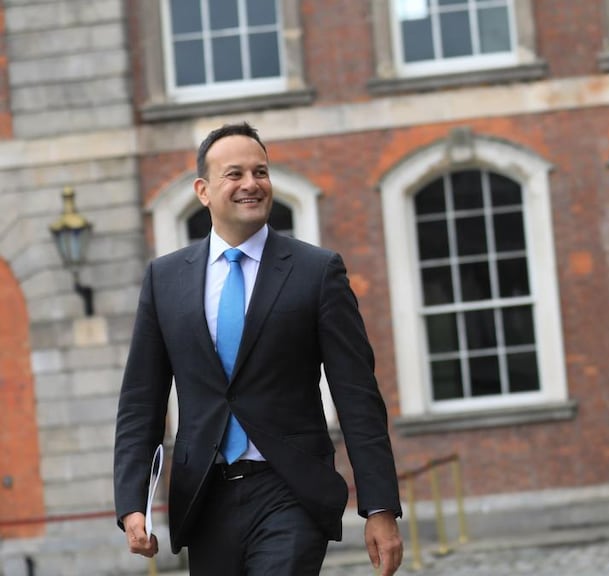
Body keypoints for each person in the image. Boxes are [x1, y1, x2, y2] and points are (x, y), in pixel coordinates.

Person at [114, 122, 403, 575]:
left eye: (260, 172)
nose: (251, 183)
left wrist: (380, 506)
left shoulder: (317, 272)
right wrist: (134, 502)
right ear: (203, 191)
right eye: (235, 174)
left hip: (291, 490)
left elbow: (357, 396)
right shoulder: (164, 280)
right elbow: (140, 402)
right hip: (205, 496)